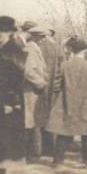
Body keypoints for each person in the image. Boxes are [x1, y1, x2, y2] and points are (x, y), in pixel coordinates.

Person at [46, 37, 87, 167]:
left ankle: (58, 161)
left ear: (73, 50)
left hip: (67, 101)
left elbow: (56, 85)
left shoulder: (65, 65)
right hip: (86, 103)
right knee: (86, 133)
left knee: (64, 131)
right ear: (84, 50)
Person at [0, 16, 28, 174]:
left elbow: (17, 77)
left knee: (5, 132)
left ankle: (2, 168)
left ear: (9, 32)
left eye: (1, 31)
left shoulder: (13, 49)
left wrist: (10, 101)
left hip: (8, 98)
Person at [32, 24, 64, 157]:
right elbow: (61, 68)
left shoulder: (37, 46)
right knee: (50, 116)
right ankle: (49, 149)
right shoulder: (58, 48)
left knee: (36, 117)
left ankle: (36, 150)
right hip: (53, 87)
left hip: (37, 85)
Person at [21, 25, 49, 164]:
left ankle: (31, 154)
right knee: (30, 122)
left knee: (33, 121)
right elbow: (29, 71)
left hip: (34, 90)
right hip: (32, 90)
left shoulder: (34, 49)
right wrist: (41, 83)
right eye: (42, 36)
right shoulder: (32, 50)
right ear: (36, 36)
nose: (44, 39)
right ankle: (28, 155)